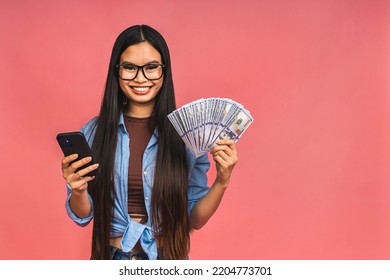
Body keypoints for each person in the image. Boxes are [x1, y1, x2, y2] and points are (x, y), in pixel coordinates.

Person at [61, 24, 238, 260]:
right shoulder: (94, 132)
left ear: (164, 71)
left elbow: (195, 218)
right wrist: (78, 190)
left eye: (151, 67)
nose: (140, 78)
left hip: (168, 259)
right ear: (117, 71)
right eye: (130, 68)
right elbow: (83, 215)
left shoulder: (188, 135)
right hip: (112, 258)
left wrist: (222, 181)